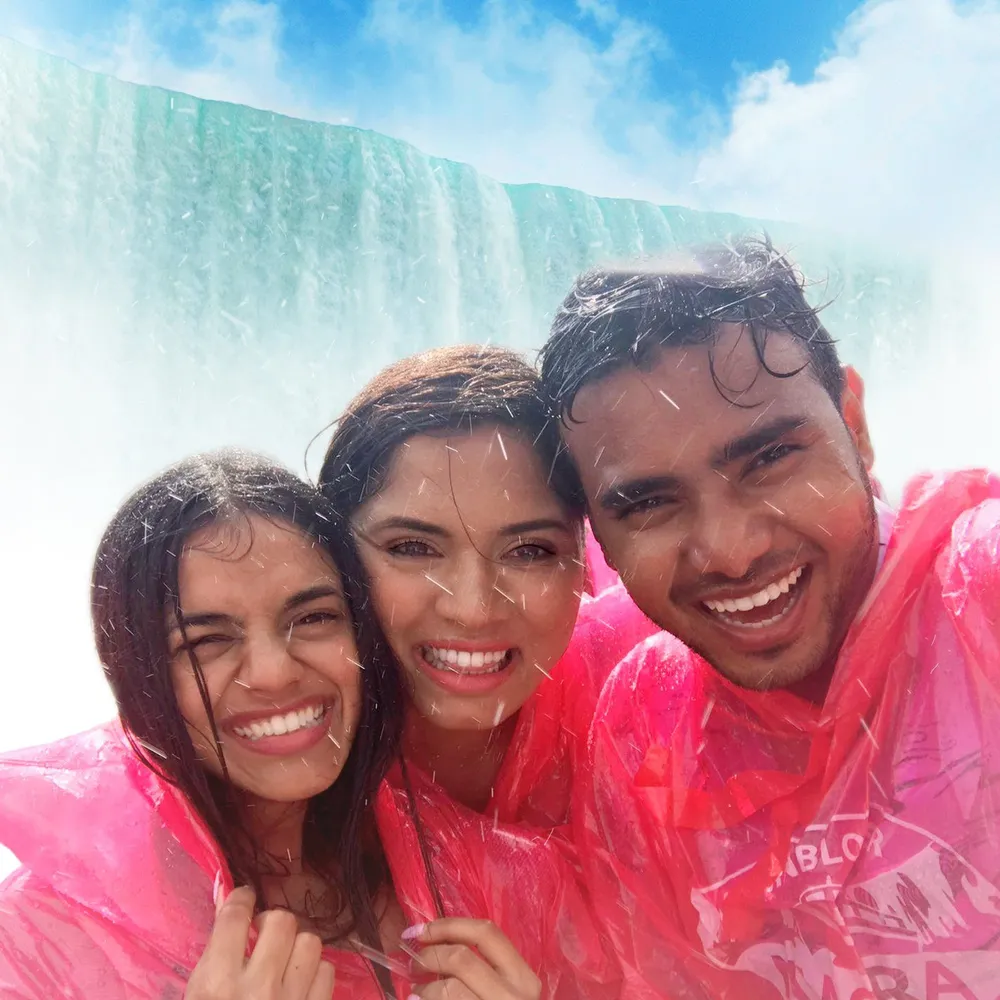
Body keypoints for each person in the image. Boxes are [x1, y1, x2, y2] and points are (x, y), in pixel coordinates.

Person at [538, 238, 1000, 998]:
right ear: (598, 536)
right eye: (649, 503)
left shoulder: (975, 593)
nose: (730, 551)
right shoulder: (645, 733)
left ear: (854, 420)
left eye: (770, 458)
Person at [0, 452, 604, 1000]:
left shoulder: (483, 876)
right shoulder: (39, 937)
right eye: (207, 641)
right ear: (136, 677)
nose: (272, 674)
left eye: (313, 618)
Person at [318, 345, 655, 826]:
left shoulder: (653, 711)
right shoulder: (263, 740)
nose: (473, 609)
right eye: (413, 548)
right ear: (330, 549)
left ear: (585, 561)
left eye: (528, 552)